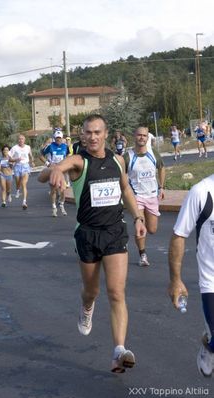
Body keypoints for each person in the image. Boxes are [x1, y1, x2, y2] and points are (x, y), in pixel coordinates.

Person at [38, 114, 146, 373]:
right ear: (82, 135)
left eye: (97, 132)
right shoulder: (78, 161)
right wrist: (53, 170)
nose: (93, 137)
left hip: (114, 232)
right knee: (92, 291)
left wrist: (138, 217)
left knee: (117, 292)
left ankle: (119, 350)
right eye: (88, 132)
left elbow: (126, 191)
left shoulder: (118, 160)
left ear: (106, 134)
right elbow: (50, 173)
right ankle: (87, 307)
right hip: (87, 234)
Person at [168, 174, 214, 377]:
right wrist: (176, 280)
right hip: (212, 281)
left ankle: (211, 344)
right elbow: (179, 236)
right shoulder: (201, 192)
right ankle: (210, 345)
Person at [124, 127, 165, 267]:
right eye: (139, 135)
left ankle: (141, 229)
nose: (142, 138)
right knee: (139, 224)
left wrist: (161, 187)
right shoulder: (128, 156)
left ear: (147, 138)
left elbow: (161, 168)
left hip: (152, 195)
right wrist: (124, 192)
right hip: (136, 196)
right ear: (134, 136)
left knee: (152, 229)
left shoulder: (153, 153)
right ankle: (142, 254)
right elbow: (122, 177)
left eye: (144, 135)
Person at [39, 129, 69, 217]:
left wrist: (66, 164)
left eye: (60, 138)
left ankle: (62, 205)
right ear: (54, 138)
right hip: (53, 171)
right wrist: (48, 164)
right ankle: (54, 208)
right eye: (57, 138)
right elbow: (41, 156)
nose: (58, 140)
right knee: (54, 189)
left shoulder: (65, 146)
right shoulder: (50, 146)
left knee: (63, 190)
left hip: (62, 170)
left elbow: (67, 155)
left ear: (62, 138)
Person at [9, 134, 35, 210]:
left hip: (26, 166)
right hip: (17, 166)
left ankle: (24, 202)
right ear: (18, 140)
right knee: (18, 182)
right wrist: (15, 159)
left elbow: (31, 156)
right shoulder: (14, 148)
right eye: (19, 139)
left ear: (24, 140)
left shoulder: (28, 147)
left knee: (24, 184)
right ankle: (17, 190)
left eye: (22, 139)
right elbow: (9, 159)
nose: (21, 140)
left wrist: (32, 162)